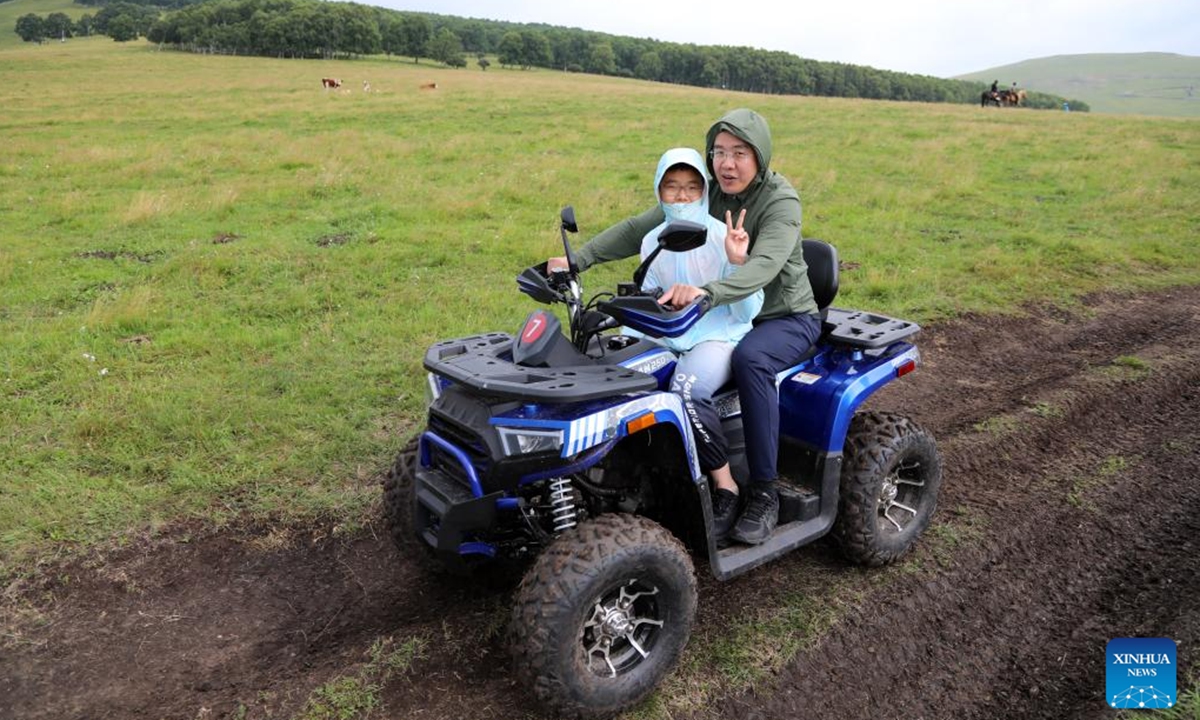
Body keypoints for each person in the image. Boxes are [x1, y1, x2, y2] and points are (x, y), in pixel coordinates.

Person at [550, 109, 819, 545]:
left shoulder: (780, 200)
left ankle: (764, 493)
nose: (727, 164)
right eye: (719, 153)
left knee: (752, 360)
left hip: (781, 316)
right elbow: (643, 226)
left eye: (740, 154)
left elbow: (766, 265)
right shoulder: (706, 192)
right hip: (711, 314)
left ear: (761, 155)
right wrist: (577, 260)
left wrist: (709, 291)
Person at [629, 147, 764, 541]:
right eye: (672, 187)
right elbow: (646, 298)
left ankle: (725, 485)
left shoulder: (724, 237)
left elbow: (746, 314)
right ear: (659, 190)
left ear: (704, 190)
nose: (682, 196)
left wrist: (738, 263)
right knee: (617, 381)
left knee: (685, 389)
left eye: (691, 187)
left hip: (717, 337)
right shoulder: (652, 240)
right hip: (664, 337)